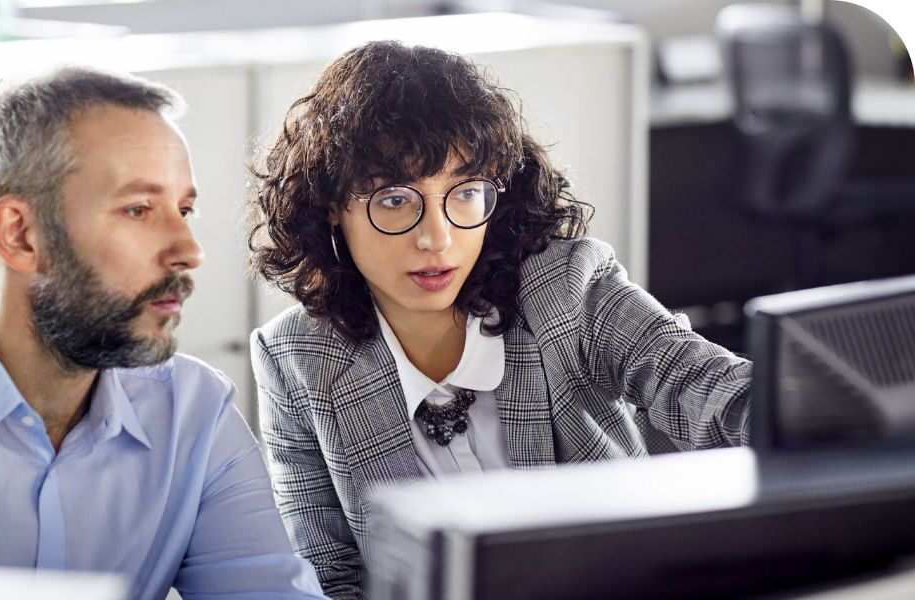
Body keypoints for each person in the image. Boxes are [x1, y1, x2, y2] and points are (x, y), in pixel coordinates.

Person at [246, 41, 751, 598]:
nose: (437, 238)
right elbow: (328, 578)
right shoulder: (296, 357)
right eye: (394, 200)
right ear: (331, 207)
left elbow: (707, 391)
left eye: (464, 193)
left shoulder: (568, 289)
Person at [0, 66, 326, 600]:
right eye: (139, 210)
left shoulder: (194, 410)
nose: (189, 250)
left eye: (184, 210)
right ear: (19, 235)